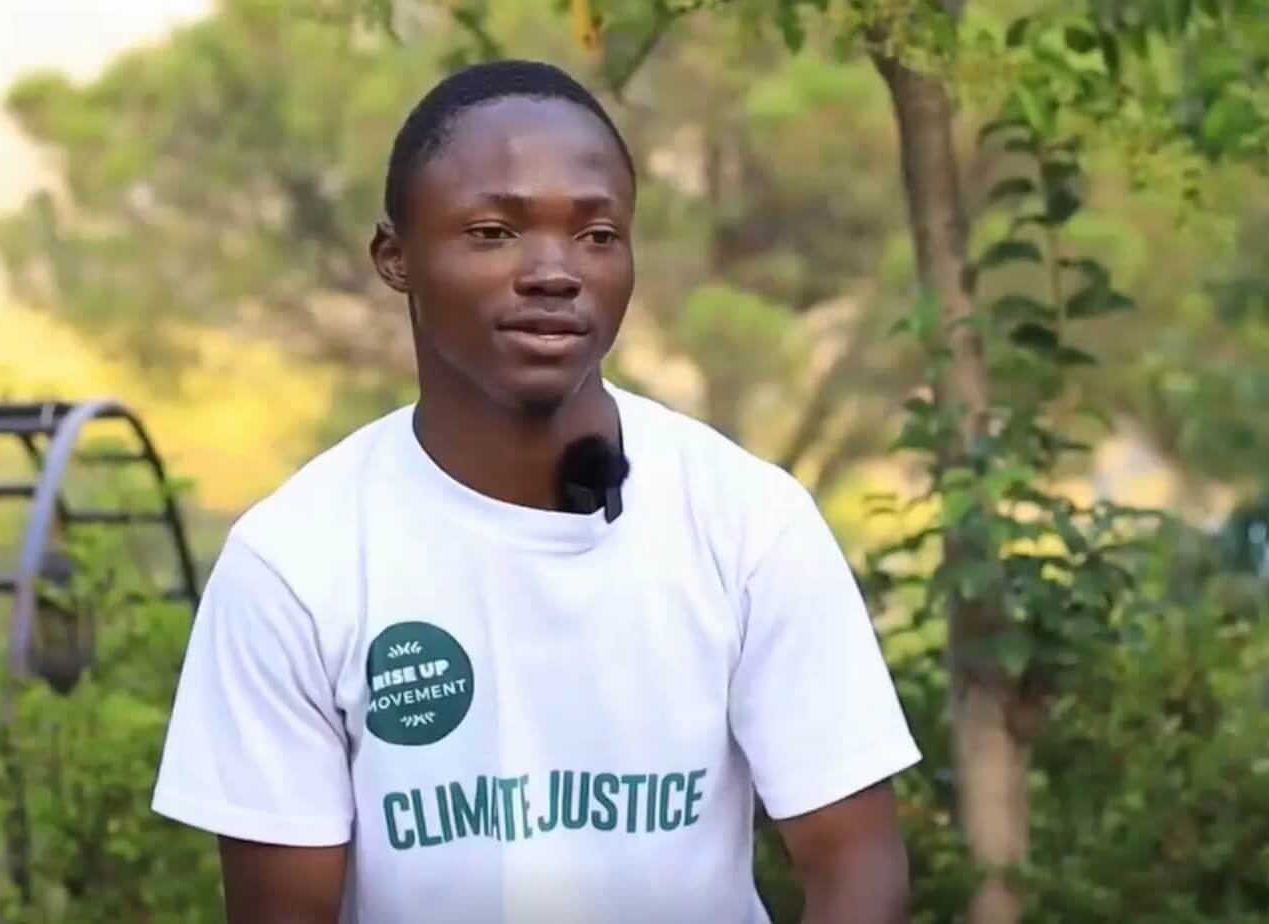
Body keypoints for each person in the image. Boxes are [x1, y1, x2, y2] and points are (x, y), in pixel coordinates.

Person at [149, 59, 921, 923]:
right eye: (492, 232)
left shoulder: (748, 523)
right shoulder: (294, 562)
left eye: (597, 235)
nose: (555, 271)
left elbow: (857, 868)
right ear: (394, 257)